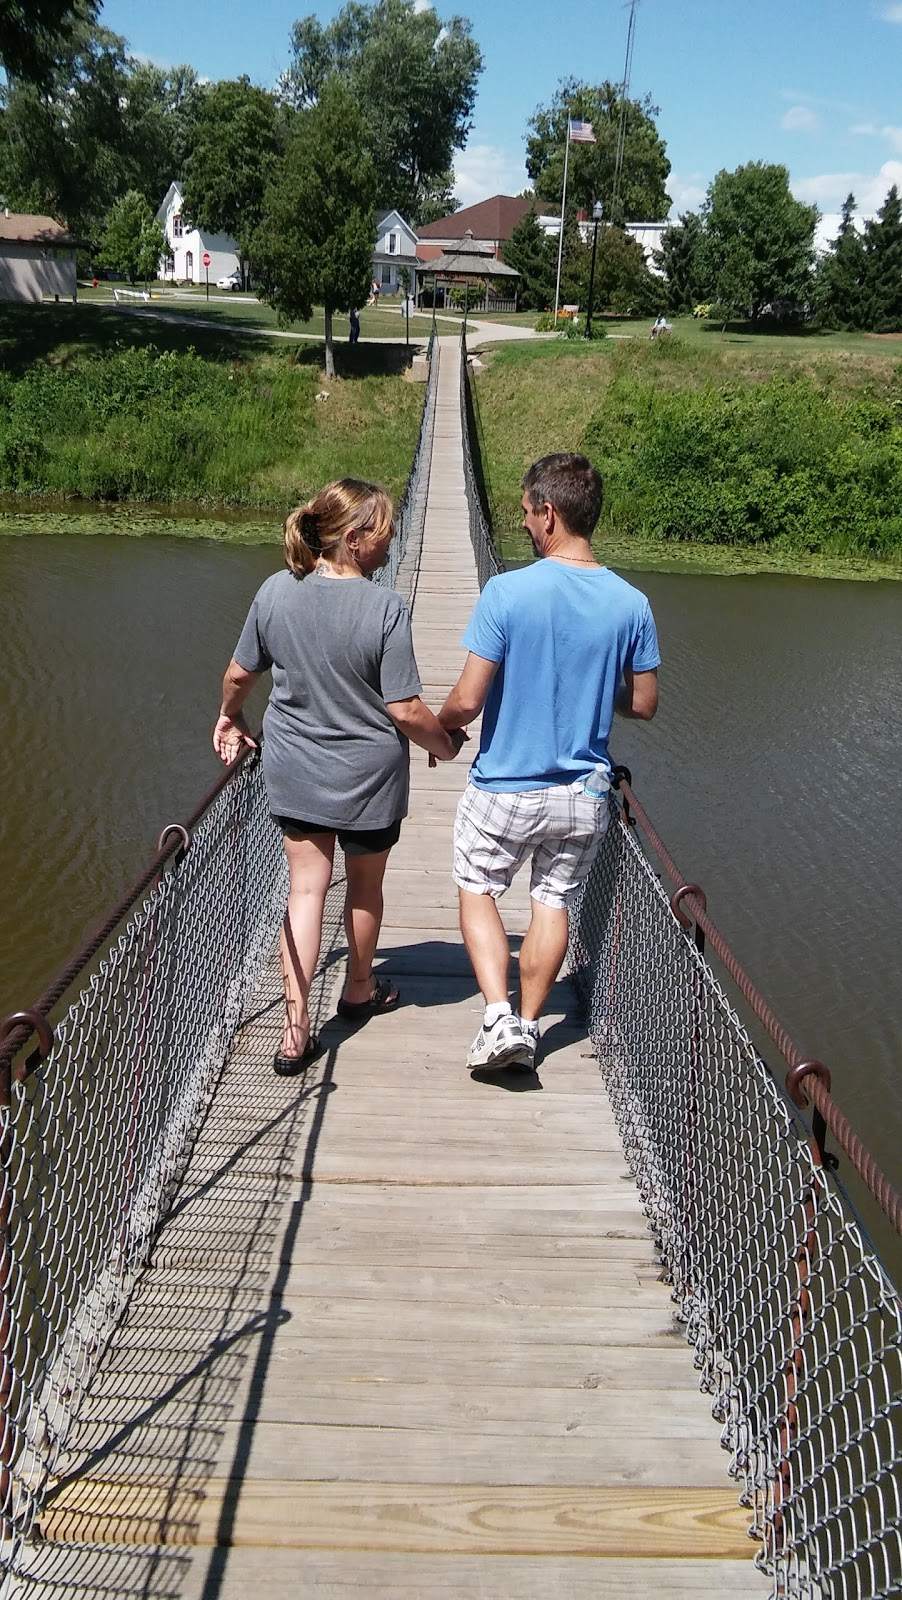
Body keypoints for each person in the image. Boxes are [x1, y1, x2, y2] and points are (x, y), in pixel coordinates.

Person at [213, 479, 464, 1074]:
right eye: (383, 533)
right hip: (369, 778)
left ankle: (294, 1031)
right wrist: (447, 746)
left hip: (295, 766)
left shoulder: (275, 592)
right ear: (353, 539)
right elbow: (404, 710)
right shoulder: (384, 607)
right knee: (365, 886)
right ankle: (357, 991)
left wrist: (229, 717)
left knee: (305, 889)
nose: (392, 541)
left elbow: (237, 675)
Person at [437, 452, 660, 1072]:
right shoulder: (632, 604)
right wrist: (589, 681)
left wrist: (437, 731)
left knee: (477, 886)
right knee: (553, 899)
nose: (526, 525)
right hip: (583, 797)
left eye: (529, 513)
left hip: (505, 789)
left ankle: (497, 1016)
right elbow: (643, 705)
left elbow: (466, 700)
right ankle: (530, 1028)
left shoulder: (506, 591)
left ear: (551, 513)